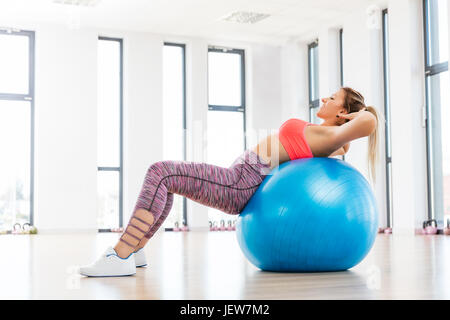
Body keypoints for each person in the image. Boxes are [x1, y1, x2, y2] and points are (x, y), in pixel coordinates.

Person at [79, 86, 379, 277]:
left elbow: (368, 123)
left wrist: (363, 112)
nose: (324, 97)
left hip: (239, 183)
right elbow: (346, 141)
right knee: (167, 182)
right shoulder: (329, 136)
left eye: (333, 97)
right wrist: (348, 120)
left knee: (161, 171)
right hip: (240, 176)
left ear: (342, 112)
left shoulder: (331, 136)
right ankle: (136, 249)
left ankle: (120, 254)